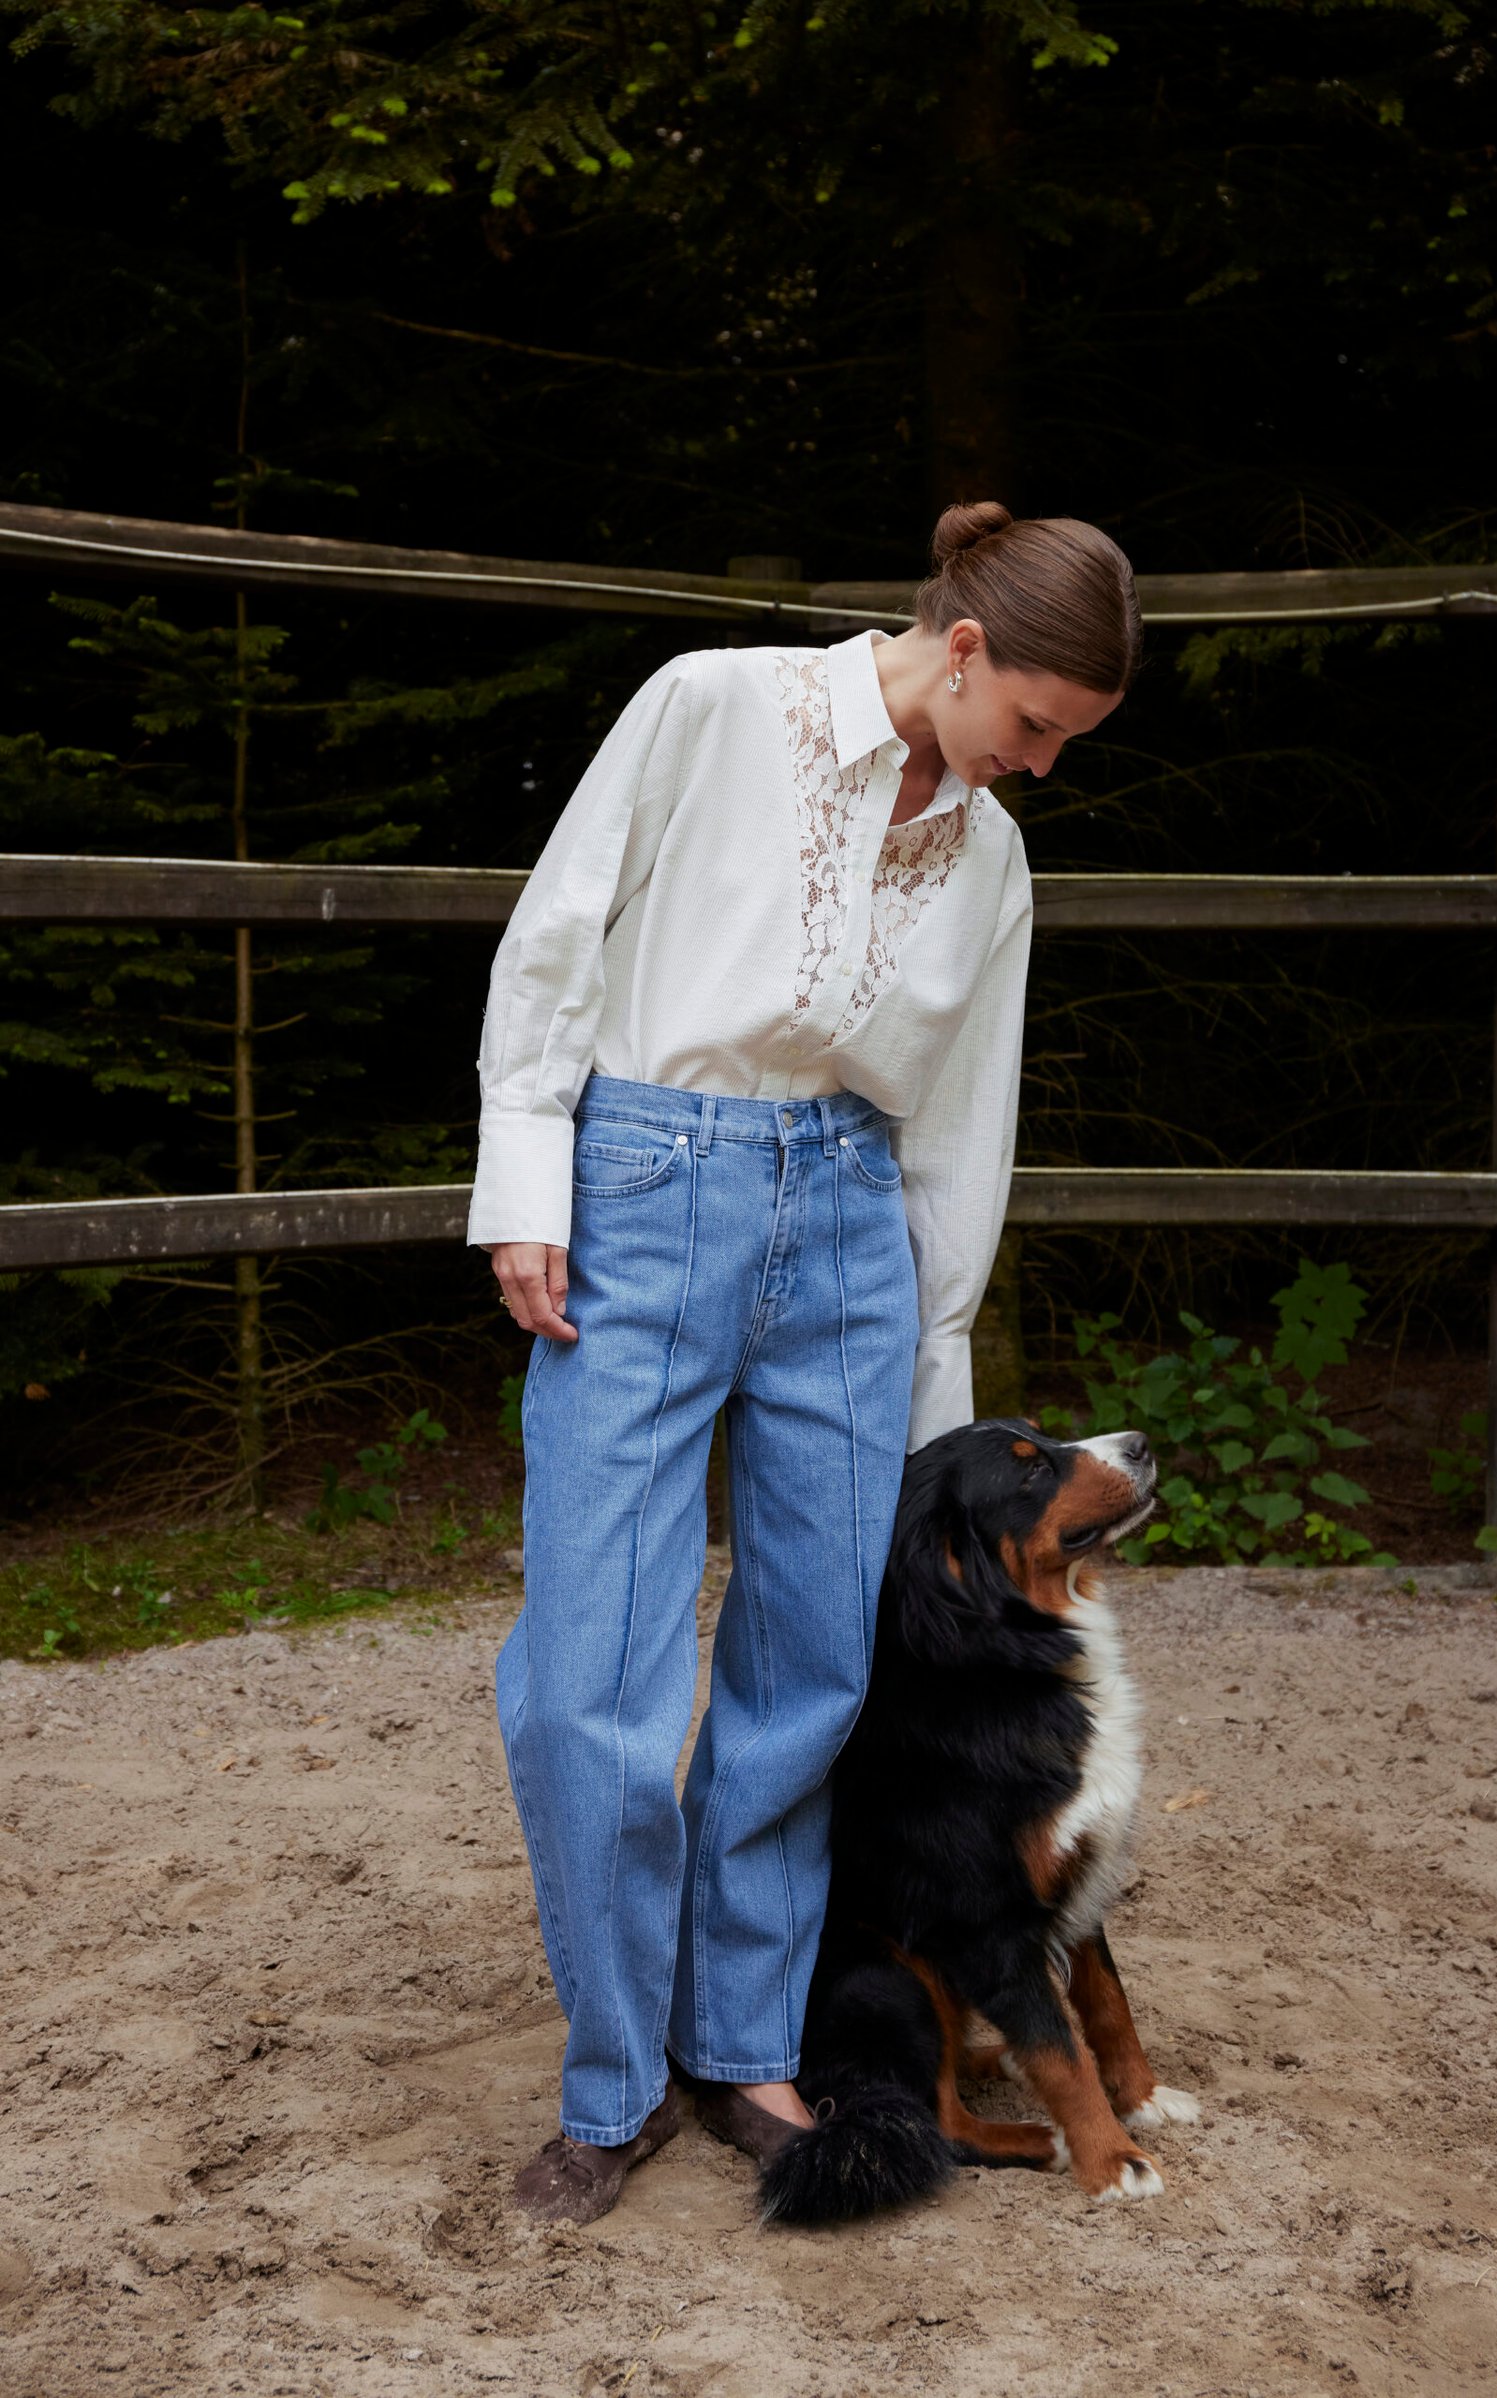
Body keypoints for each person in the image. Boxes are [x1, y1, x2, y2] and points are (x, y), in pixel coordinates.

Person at [467, 500, 1139, 2224]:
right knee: (588, 1673)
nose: (1040, 766)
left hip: (852, 1227)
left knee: (814, 1676)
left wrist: (939, 1370)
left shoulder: (992, 855)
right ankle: (613, 2076)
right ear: (965, 647)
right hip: (645, 1180)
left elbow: (962, 1117)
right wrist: (526, 1179)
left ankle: (743, 2039)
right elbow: (557, 931)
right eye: (1037, 726)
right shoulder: (713, 704)